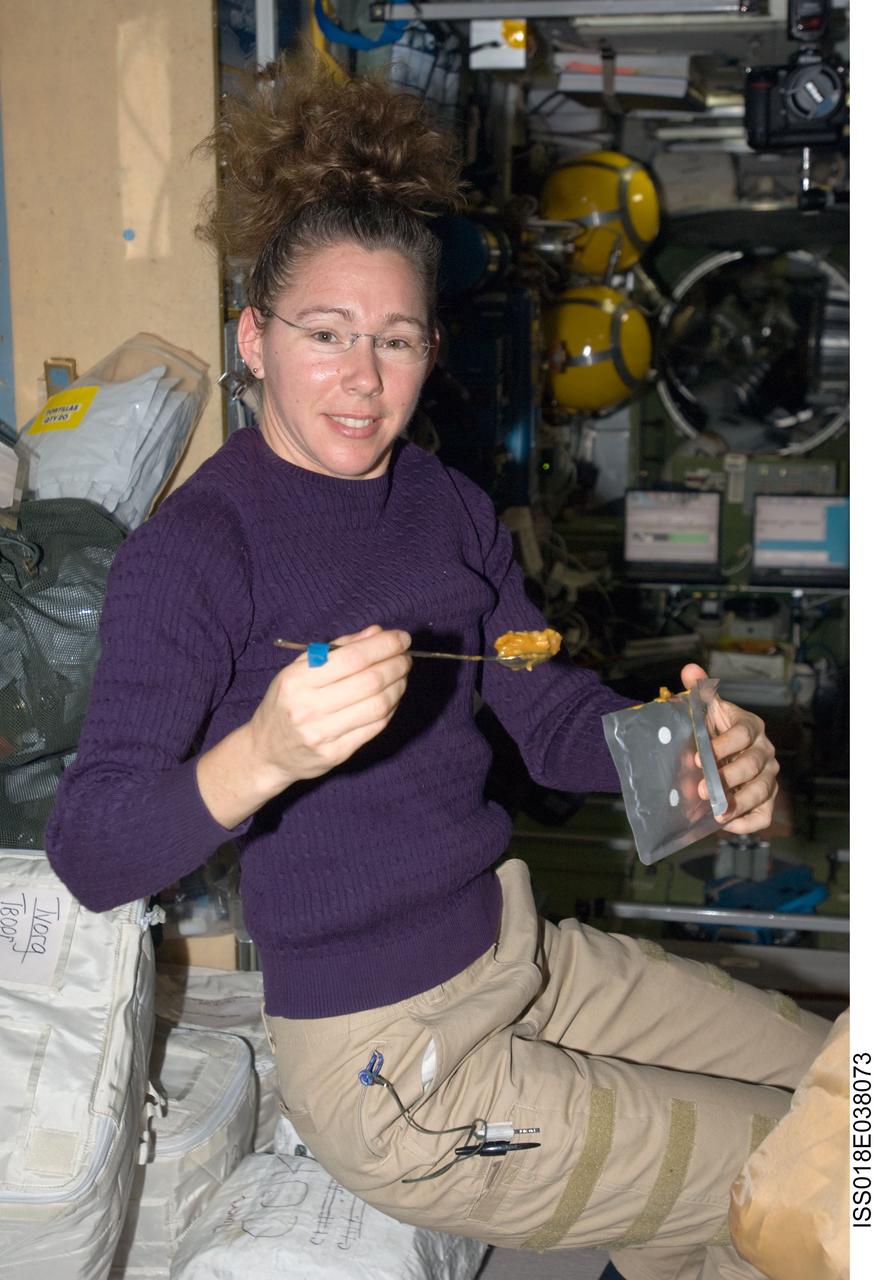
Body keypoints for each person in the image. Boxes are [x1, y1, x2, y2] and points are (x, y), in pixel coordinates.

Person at [45, 52, 826, 1280]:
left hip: (519, 957)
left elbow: (544, 711)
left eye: (396, 339)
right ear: (253, 339)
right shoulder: (195, 551)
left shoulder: (445, 504)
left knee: (847, 1082)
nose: (362, 377)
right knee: (823, 1176)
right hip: (390, 1060)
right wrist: (263, 754)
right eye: (324, 334)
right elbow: (91, 853)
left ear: (429, 349)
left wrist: (694, 759)